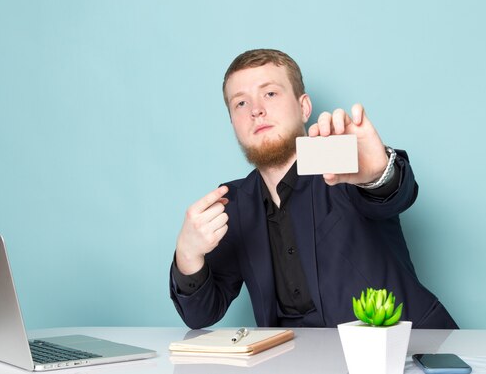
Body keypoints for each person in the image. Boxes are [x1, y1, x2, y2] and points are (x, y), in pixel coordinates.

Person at [169, 49, 458, 329]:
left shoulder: (343, 166)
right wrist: (188, 254)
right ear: (233, 122)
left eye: (270, 93)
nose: (256, 110)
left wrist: (378, 174)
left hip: (406, 352)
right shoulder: (233, 203)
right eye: (240, 103)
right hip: (293, 360)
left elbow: (393, 193)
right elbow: (201, 316)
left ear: (304, 107)